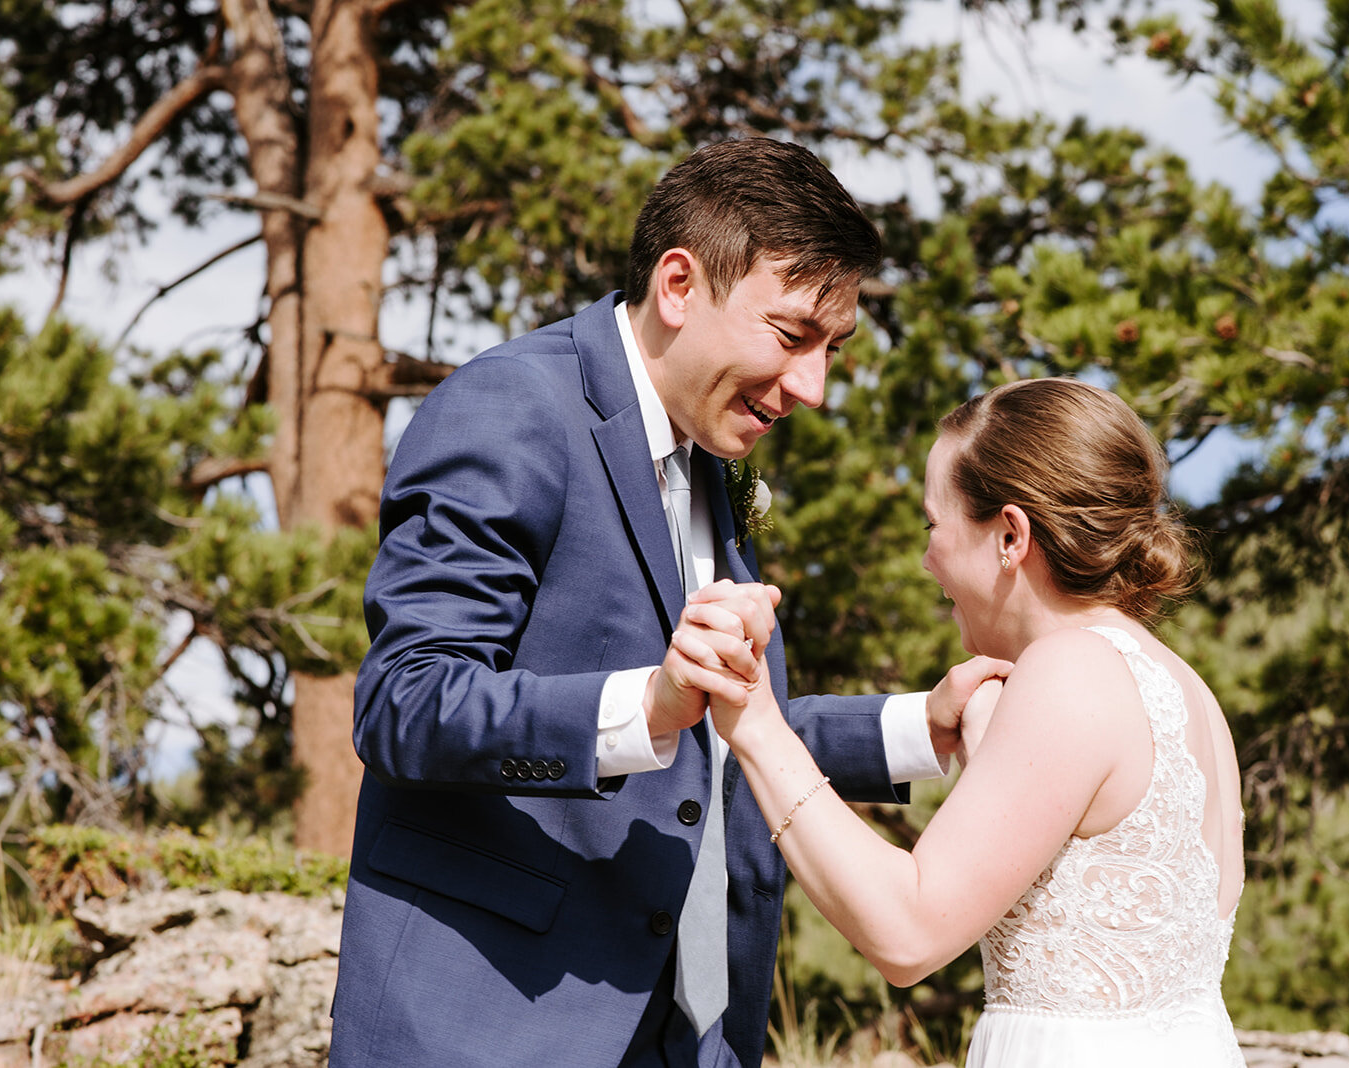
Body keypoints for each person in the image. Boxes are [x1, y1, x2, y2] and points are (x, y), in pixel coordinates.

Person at [328, 137, 1007, 1068]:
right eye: (791, 335)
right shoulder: (514, 408)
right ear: (680, 285)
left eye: (833, 348)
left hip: (691, 1039)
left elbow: (715, 724)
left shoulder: (706, 460)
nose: (813, 387)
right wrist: (644, 706)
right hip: (488, 1030)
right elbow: (405, 701)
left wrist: (920, 728)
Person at [698, 378, 1248, 1067]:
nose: (927, 558)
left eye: (934, 524)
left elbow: (906, 931)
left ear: (1011, 535)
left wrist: (755, 723)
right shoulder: (1181, 686)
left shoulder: (1070, 672)